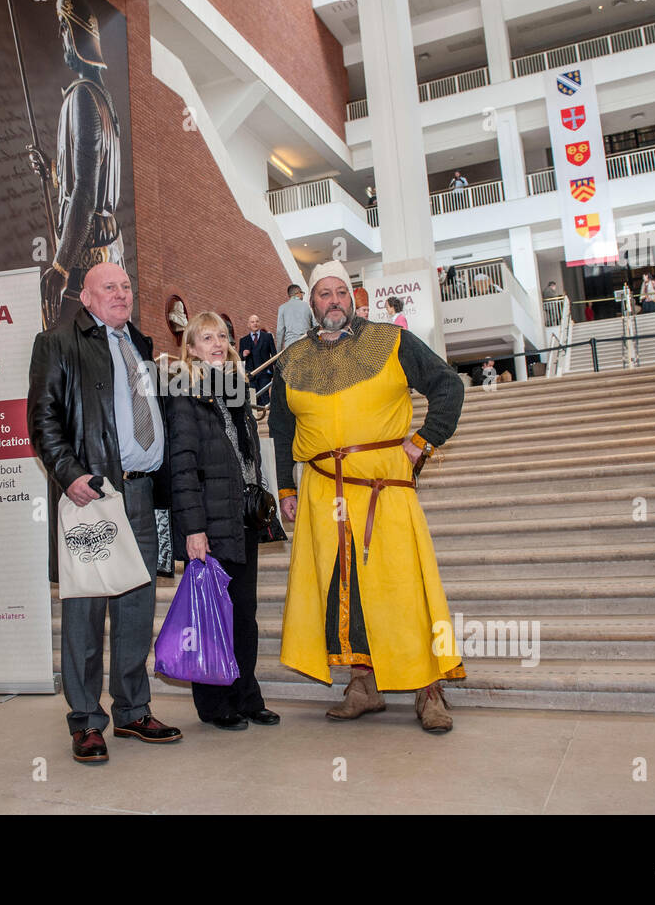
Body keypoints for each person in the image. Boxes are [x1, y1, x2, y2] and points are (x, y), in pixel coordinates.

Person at [269, 260, 465, 732]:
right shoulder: (292, 360)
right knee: (344, 589)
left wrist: (423, 440)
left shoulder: (391, 341)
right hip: (321, 494)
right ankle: (363, 685)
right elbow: (281, 428)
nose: (333, 301)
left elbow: (448, 386)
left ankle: (428, 689)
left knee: (401, 589)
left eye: (340, 292)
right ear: (311, 303)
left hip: (383, 489)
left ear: (353, 298)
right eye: (323, 294)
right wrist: (286, 486)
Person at [27, 261, 182, 763]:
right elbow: (43, 418)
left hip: (141, 495)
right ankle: (86, 721)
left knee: (137, 609)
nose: (121, 293)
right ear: (86, 299)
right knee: (86, 611)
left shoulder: (141, 345)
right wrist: (70, 475)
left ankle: (133, 710)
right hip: (91, 494)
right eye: (108, 287)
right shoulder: (57, 343)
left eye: (126, 286)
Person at [167, 311, 279, 731]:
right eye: (206, 337)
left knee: (243, 613)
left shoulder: (236, 389)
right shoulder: (184, 393)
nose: (217, 343)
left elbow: (248, 457)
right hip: (210, 523)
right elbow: (183, 466)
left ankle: (247, 696)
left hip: (243, 517)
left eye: (222, 337)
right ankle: (215, 704)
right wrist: (193, 530)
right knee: (213, 615)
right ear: (191, 348)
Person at [28, 0, 126, 330]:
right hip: (107, 247)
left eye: (63, 26)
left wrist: (60, 267)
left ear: (74, 33)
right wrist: (54, 170)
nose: (59, 35)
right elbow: (88, 176)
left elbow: (85, 191)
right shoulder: (103, 99)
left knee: (73, 358)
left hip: (86, 258)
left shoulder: (83, 96)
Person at [239, 314, 276, 400]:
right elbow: (239, 358)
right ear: (248, 325)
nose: (255, 323)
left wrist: (276, 373)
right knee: (254, 399)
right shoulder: (243, 340)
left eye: (257, 321)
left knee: (265, 397)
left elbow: (274, 355)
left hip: (265, 373)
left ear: (259, 323)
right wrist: (243, 355)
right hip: (251, 375)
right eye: (252, 322)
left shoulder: (268, 337)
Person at [276, 283, 315, 349]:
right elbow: (315, 326)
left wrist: (278, 351)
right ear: (298, 293)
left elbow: (280, 332)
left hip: (290, 346)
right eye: (302, 293)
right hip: (306, 344)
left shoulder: (282, 308)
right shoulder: (307, 306)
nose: (302, 296)